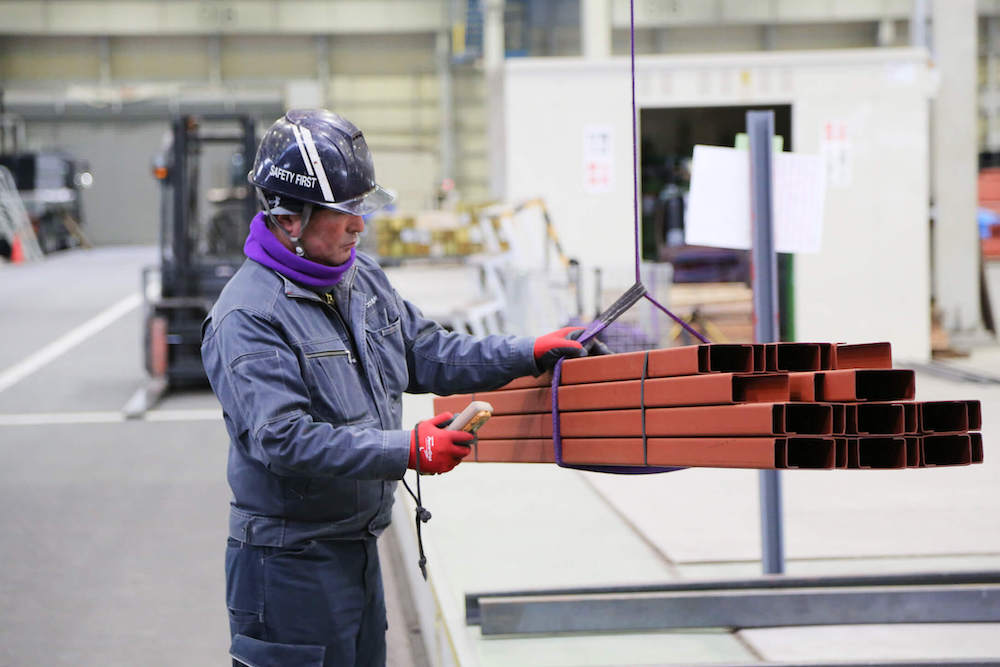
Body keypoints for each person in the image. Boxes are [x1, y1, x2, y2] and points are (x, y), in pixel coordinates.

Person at [200, 108, 594, 667]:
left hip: (358, 550)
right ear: (289, 219)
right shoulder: (249, 316)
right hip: (289, 569)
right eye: (344, 212)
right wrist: (408, 448)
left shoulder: (358, 279)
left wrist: (527, 352)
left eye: (360, 208)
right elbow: (283, 439)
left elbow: (427, 352)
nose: (359, 225)